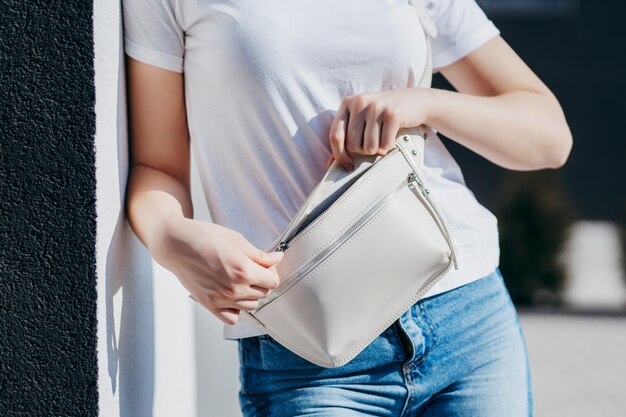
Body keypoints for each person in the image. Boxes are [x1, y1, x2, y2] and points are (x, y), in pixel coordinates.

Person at [122, 0, 572, 415]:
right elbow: (155, 165)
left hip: (465, 318)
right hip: (307, 355)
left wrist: (427, 103)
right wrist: (171, 238)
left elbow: (549, 136)